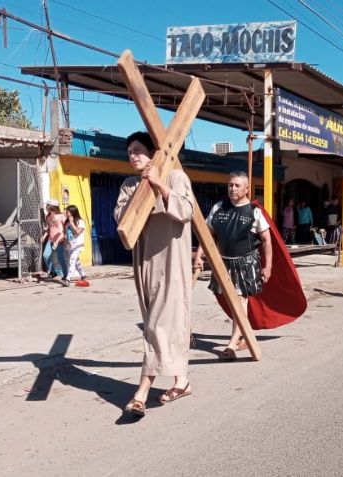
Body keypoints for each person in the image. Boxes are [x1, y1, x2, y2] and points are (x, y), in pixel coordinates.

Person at [115, 131, 195, 417]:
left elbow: (186, 210)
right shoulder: (129, 185)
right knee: (161, 322)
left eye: (138, 150)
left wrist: (160, 185)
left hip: (171, 263)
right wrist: (143, 189)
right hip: (144, 263)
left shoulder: (175, 177)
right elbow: (121, 218)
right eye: (129, 153)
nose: (133, 156)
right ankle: (181, 380)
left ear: (154, 153)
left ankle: (141, 393)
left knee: (156, 326)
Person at [194, 171, 273, 360]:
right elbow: (207, 234)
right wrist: (198, 256)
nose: (232, 188)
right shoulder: (219, 207)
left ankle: (232, 344)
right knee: (231, 301)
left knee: (239, 300)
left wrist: (268, 266)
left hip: (246, 262)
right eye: (230, 185)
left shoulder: (254, 211)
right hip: (223, 262)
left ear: (247, 188)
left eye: (237, 185)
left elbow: (267, 241)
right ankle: (243, 335)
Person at [41, 199, 68, 283]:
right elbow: (49, 229)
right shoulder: (48, 216)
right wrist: (44, 236)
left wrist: (62, 238)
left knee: (60, 257)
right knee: (46, 255)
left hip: (59, 240)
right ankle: (52, 272)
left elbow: (64, 229)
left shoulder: (61, 216)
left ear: (51, 207)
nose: (46, 207)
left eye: (47, 206)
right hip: (50, 239)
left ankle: (65, 274)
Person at [64, 205, 87, 285]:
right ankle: (83, 275)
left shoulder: (80, 222)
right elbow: (66, 234)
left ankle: (68, 279)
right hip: (71, 246)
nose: (66, 213)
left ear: (72, 212)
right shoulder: (66, 223)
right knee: (76, 262)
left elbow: (77, 231)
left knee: (72, 261)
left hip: (78, 245)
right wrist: (66, 242)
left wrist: (71, 223)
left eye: (67, 212)